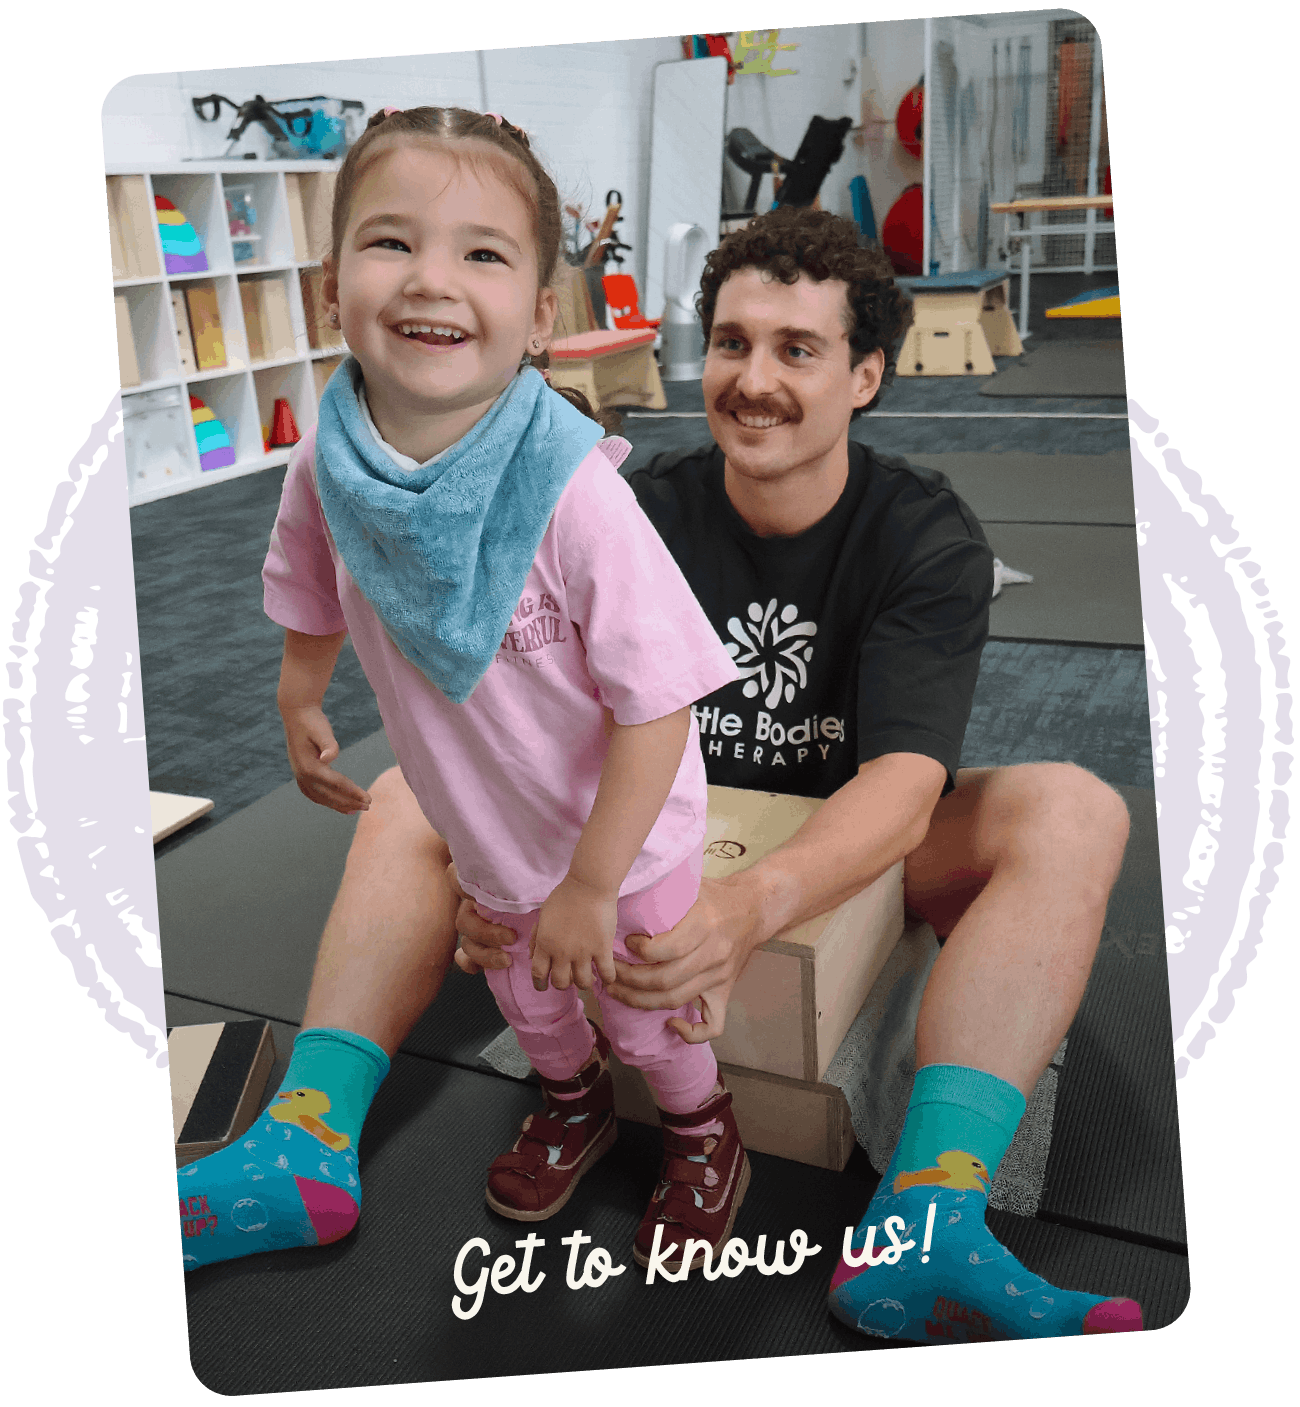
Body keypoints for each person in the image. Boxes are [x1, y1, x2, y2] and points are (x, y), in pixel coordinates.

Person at [453, 205, 1142, 1341]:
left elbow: (908, 783)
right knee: (399, 796)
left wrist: (744, 909)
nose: (752, 380)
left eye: (797, 350)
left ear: (866, 375)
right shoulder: (626, 511)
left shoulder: (923, 535)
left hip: (841, 847)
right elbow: (508, 718)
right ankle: (313, 1126)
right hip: (642, 839)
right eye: (731, 343)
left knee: (1073, 810)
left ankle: (924, 1221)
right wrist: (478, 882)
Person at [177, 105, 750, 1277]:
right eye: (392, 242)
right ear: (334, 285)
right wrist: (300, 693)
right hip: (481, 819)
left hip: (621, 840)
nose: (430, 279)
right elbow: (308, 577)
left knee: (645, 1009)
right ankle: (570, 1098)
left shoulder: (573, 493)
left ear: (541, 314)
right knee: (529, 998)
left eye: (482, 252)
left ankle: (702, 1131)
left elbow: (658, 703)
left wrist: (594, 884)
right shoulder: (329, 457)